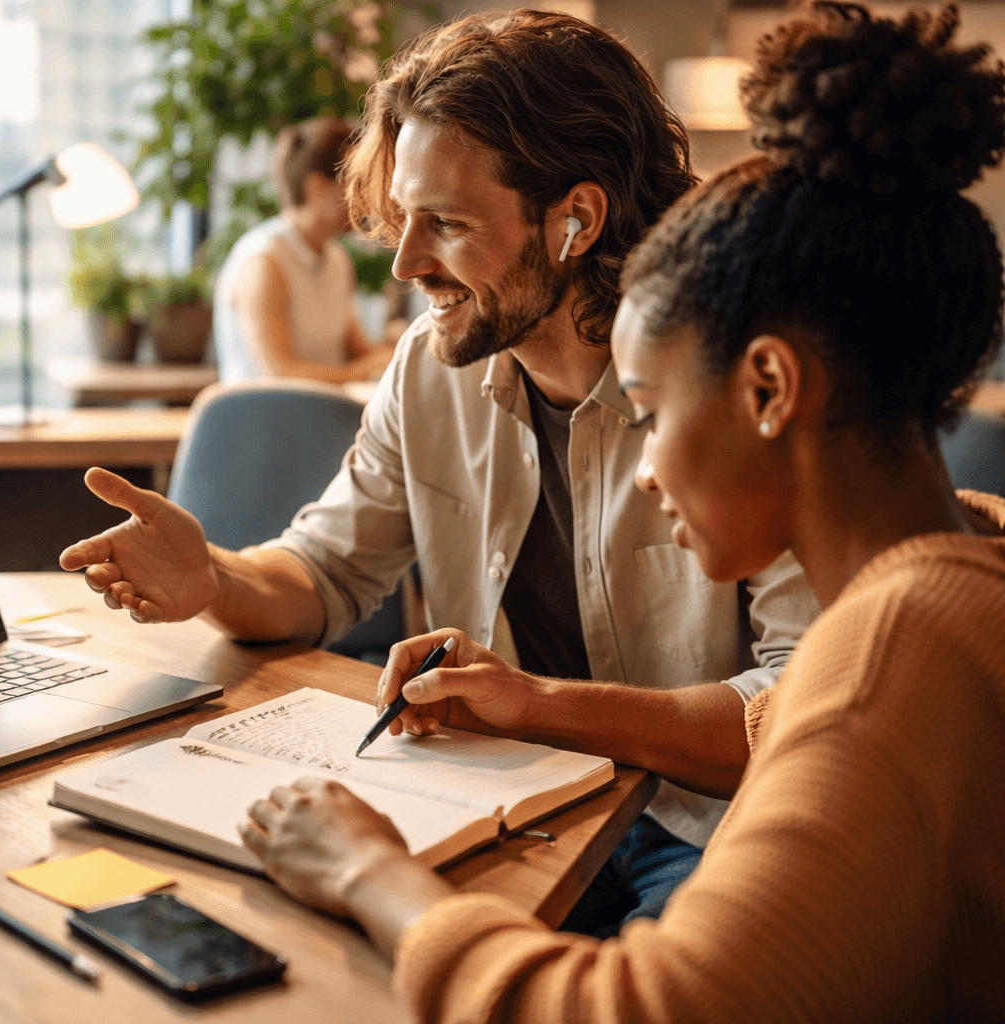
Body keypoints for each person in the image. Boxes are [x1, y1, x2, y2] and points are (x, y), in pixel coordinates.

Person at [240, 3, 1005, 1018]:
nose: (641, 470)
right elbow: (781, 718)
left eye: (647, 409)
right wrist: (530, 700)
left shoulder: (880, 670)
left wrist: (371, 873)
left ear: (769, 389)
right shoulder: (935, 596)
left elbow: (643, 1009)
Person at [61, 9, 821, 935]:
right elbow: (328, 571)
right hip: (519, 808)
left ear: (575, 220)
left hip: (705, 826)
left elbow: (803, 709)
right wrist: (212, 577)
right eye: (403, 221)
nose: (407, 263)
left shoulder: (735, 385)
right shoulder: (431, 367)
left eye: (448, 225)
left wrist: (540, 708)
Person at [212, 115, 402, 384]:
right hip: (265, 419)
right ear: (316, 187)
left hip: (322, 415)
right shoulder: (264, 261)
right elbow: (279, 373)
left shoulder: (336, 259)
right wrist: (362, 370)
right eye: (354, 184)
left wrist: (401, 348)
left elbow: (359, 351)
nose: (365, 198)